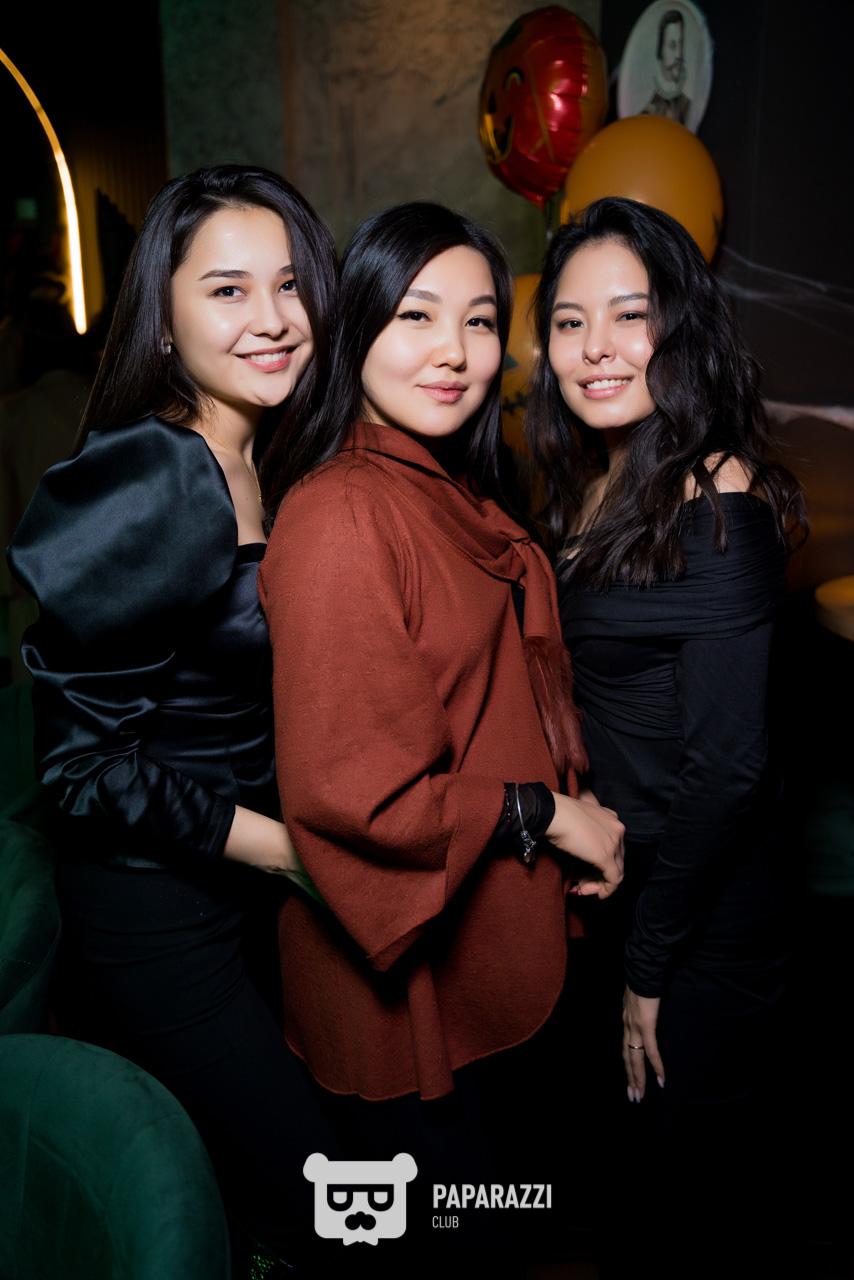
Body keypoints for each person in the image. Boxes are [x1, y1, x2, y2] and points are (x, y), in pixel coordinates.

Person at [258, 202, 625, 1272]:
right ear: (357, 325)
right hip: (398, 1004)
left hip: (485, 959)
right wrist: (544, 813)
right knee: (457, 1245)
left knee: (495, 1227)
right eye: (416, 315)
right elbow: (358, 797)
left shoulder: (441, 483)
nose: (455, 351)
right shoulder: (341, 515)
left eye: (479, 320)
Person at [7, 164, 347, 1269]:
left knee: (279, 1193)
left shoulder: (267, 455)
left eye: (289, 285)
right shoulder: (154, 473)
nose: (272, 318)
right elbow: (83, 768)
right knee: (326, 1202)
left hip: (233, 892)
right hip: (151, 911)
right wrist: (289, 853)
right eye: (228, 290)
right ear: (162, 318)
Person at [526, 196, 806, 1277]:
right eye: (569, 320)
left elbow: (728, 768)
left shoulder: (716, 490)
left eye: (629, 314)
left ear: (680, 327)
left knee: (696, 1205)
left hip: (705, 915)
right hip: (633, 885)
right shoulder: (598, 475)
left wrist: (649, 962)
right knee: (640, 1189)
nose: (595, 345)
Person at [641, 8, 691, 124]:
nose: (678, 55)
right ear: (660, 51)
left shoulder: (687, 105)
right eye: (672, 46)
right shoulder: (648, 111)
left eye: (681, 44)